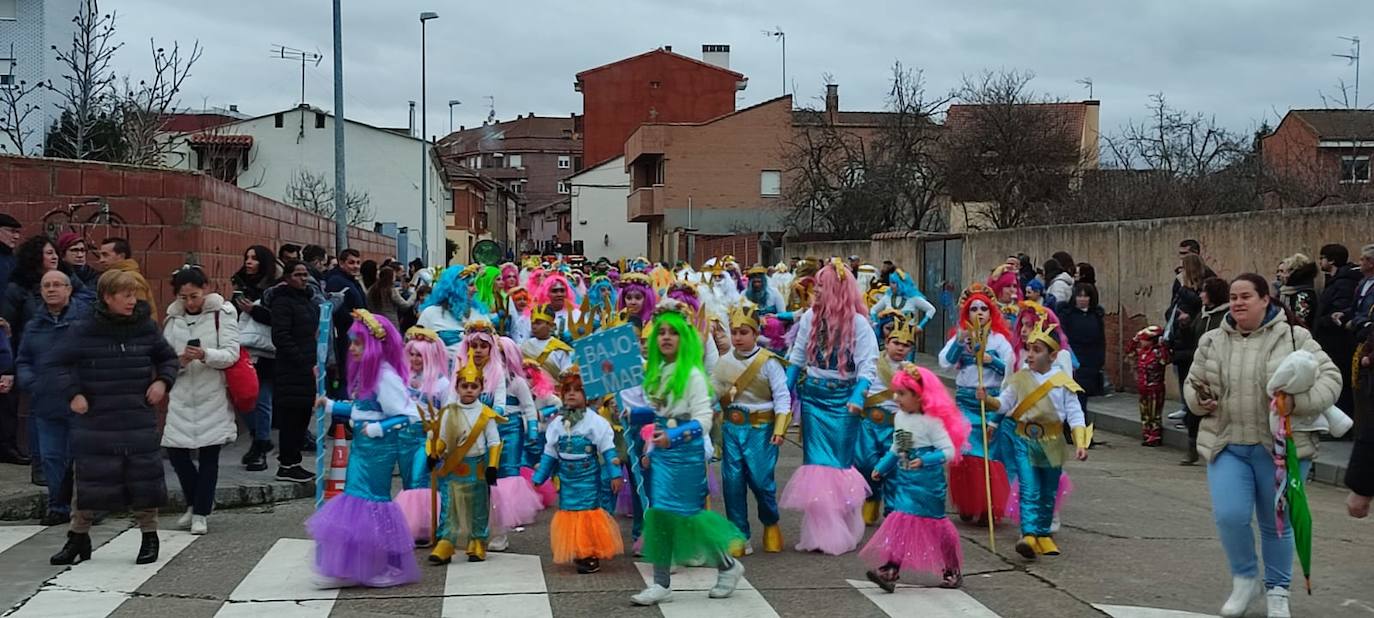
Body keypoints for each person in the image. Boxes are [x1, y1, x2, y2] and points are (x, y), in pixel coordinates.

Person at [1185, 274, 1340, 618]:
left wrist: (1297, 404)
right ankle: (1245, 579)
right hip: (1227, 445)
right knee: (1230, 516)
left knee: (1277, 524)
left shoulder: (1296, 338)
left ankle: (1278, 591)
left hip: (1280, 451)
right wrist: (1199, 399)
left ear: (1265, 300)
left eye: (1246, 296)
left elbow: (1332, 380)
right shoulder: (1212, 341)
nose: (1238, 303)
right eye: (1234, 297)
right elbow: (1192, 385)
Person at [50, 269, 179, 566]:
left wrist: (162, 382)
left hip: (137, 416)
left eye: (135, 294)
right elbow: (58, 365)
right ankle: (78, 537)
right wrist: (73, 393)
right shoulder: (83, 329)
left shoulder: (146, 328)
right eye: (126, 295)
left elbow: (168, 359)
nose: (133, 300)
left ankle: (149, 536)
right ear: (107, 297)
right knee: (89, 479)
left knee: (143, 477)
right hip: (97, 418)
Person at [630, 300, 746, 606]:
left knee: (691, 517)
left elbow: (704, 420)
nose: (666, 337)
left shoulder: (693, 375)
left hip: (686, 456)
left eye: (673, 333)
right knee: (660, 516)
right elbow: (661, 412)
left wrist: (674, 436)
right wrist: (633, 414)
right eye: (661, 333)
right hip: (662, 455)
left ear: (685, 337)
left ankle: (729, 566)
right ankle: (661, 584)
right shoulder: (657, 371)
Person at [308, 310, 422, 588]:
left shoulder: (385, 377)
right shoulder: (368, 375)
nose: (352, 348)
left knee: (375, 503)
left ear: (373, 345)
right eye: (352, 342)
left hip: (378, 451)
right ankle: (353, 565)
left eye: (358, 342)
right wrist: (331, 404)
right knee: (357, 503)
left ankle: (393, 565)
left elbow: (409, 416)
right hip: (361, 448)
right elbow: (362, 410)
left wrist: (379, 429)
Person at [779, 260, 878, 556]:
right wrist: (783, 392)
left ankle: (845, 525)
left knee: (839, 466)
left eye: (822, 287)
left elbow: (868, 365)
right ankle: (822, 532)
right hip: (813, 399)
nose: (816, 292)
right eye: (815, 287)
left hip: (844, 401)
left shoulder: (859, 324)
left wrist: (858, 396)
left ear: (836, 290)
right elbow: (797, 357)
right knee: (816, 467)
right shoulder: (810, 317)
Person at [978, 315, 1090, 561]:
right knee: (1029, 487)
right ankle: (1028, 533)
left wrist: (1081, 442)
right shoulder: (1020, 379)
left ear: (1052, 356)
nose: (1029, 355)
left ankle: (1042, 533)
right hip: (1024, 439)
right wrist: (987, 400)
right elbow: (1004, 403)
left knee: (1049, 490)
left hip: (1052, 441)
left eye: (1036, 350)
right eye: (1028, 349)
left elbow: (1074, 412)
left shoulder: (1062, 382)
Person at [860, 363, 969, 592]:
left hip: (928, 483)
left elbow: (948, 450)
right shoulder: (900, 417)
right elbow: (899, 446)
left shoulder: (932, 422)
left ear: (919, 396)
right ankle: (891, 569)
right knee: (900, 519)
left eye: (902, 393)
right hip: (906, 478)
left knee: (936, 525)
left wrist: (925, 460)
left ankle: (951, 569)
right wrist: (883, 467)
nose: (896, 398)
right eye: (896, 392)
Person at [161, 266, 240, 536]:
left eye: (194, 296)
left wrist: (205, 354)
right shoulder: (172, 320)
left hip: (212, 392)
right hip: (182, 394)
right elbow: (163, 359)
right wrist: (180, 361)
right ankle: (196, 501)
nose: (190, 302)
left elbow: (231, 354)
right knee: (176, 452)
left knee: (209, 454)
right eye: (184, 297)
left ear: (205, 288)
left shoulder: (223, 313)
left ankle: (201, 512)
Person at [711, 303, 790, 555]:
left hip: (761, 429)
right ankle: (739, 534)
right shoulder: (724, 363)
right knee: (732, 482)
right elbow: (713, 394)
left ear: (755, 334)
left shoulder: (769, 363)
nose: (737, 338)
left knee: (761, 481)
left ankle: (770, 523)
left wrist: (780, 428)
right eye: (734, 332)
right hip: (732, 429)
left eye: (743, 332)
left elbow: (782, 396)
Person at [531, 369, 625, 574]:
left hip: (588, 475)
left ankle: (589, 552)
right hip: (567, 477)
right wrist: (540, 477)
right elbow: (550, 453)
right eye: (567, 391)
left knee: (588, 512)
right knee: (570, 512)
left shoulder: (596, 422)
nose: (571, 394)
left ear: (587, 396)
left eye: (577, 390)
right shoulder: (556, 423)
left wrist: (615, 475)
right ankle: (577, 548)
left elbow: (608, 450)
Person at [940, 285, 1015, 524]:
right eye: (974, 309)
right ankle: (967, 501)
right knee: (966, 455)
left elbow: (1011, 372)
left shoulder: (1000, 340)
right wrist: (958, 343)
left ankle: (987, 507)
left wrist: (992, 361)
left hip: (989, 402)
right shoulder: (960, 337)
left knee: (988, 456)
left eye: (984, 308)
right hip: (965, 403)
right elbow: (944, 363)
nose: (979, 313)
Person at [16, 271, 85, 525]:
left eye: (57, 285)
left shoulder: (84, 321)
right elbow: (23, 359)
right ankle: (58, 506)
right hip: (46, 403)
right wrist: (31, 382)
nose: (51, 289)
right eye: (46, 285)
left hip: (80, 401)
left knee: (81, 457)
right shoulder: (34, 325)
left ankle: (87, 508)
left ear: (68, 289)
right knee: (51, 457)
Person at [428, 350, 503, 565]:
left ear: (480, 388)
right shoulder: (448, 412)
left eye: (474, 386)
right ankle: (446, 541)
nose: (469, 390)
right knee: (449, 505)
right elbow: (441, 439)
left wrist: (492, 466)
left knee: (478, 506)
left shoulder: (486, 414)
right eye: (465, 386)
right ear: (457, 387)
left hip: (477, 467)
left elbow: (494, 442)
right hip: (454, 467)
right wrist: (434, 454)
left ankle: (477, 541)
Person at [394, 327, 454, 544]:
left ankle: (424, 528)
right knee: (409, 482)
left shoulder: (442, 383)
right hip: (403, 436)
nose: (415, 359)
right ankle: (414, 525)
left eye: (420, 354)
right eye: (411, 353)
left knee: (421, 479)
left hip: (427, 438)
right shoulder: (401, 378)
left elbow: (448, 414)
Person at [856, 317, 918, 525]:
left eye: (906, 345)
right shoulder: (871, 361)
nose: (901, 348)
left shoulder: (911, 370)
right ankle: (872, 497)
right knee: (865, 464)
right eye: (896, 343)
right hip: (869, 424)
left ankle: (893, 512)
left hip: (900, 426)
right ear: (887, 340)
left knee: (898, 469)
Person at [269, 261, 319, 483]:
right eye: (298, 275)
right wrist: (300, 359)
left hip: (308, 367)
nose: (303, 278)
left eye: (305, 274)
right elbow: (281, 336)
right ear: (287, 278)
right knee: (291, 418)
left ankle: (294, 462)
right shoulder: (282, 302)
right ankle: (287, 464)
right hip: (292, 368)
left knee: (302, 416)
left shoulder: (308, 300)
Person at [231, 246, 279, 472]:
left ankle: (261, 444)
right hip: (242, 349)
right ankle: (258, 437)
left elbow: (281, 319)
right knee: (241, 397)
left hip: (267, 352)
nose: (249, 262)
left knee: (262, 399)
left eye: (254, 259)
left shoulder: (274, 289)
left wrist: (254, 311)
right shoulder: (240, 286)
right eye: (247, 258)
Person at [1314, 244, 1360, 421]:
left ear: (1331, 260)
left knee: (1341, 382)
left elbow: (1339, 312)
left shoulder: (1344, 283)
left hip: (1338, 343)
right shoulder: (1334, 281)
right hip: (1330, 341)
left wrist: (1324, 321)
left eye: (1322, 258)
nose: (1320, 262)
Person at [325, 249, 368, 398]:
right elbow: (337, 309)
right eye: (351, 262)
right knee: (345, 372)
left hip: (355, 334)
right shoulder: (337, 282)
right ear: (342, 263)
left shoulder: (352, 281)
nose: (355, 266)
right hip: (345, 336)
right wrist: (356, 318)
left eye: (357, 262)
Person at [1058, 283, 1106, 401]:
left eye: (1085, 296)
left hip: (1091, 358)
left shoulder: (1096, 315)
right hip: (1075, 357)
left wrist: (1100, 358)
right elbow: (1063, 337)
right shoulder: (1067, 314)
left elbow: (1101, 338)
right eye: (1079, 296)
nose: (1082, 299)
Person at [1126, 326, 1169, 447]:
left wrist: (1163, 345)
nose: (1141, 342)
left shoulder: (1158, 353)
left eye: (1143, 340)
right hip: (1143, 387)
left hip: (1155, 388)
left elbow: (1165, 360)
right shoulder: (1142, 352)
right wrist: (1134, 339)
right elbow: (1129, 351)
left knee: (1154, 413)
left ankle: (1155, 436)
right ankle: (1146, 433)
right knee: (1144, 412)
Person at [95, 237, 156, 320]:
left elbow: (140, 314)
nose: (101, 260)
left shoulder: (131, 278)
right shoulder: (113, 276)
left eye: (105, 255)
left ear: (121, 256)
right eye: (101, 255)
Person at [366, 265, 413, 329]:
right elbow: (405, 305)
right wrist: (414, 295)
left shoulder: (372, 289)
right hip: (390, 323)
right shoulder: (391, 290)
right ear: (391, 277)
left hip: (375, 322)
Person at [1278, 254, 1318, 328]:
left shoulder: (1303, 295)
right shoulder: (1286, 292)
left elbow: (1300, 321)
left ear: (1291, 272)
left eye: (1282, 271)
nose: (1279, 275)